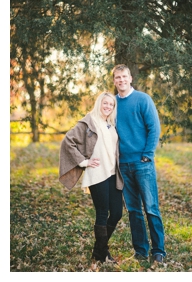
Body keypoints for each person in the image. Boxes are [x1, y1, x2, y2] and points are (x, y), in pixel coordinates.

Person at [59, 92, 124, 264]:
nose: (108, 107)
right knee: (102, 213)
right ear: (99, 103)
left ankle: (98, 251)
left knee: (117, 212)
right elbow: (68, 141)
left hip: (112, 173)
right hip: (97, 174)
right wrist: (83, 162)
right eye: (105, 103)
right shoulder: (89, 122)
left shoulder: (110, 124)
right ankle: (100, 255)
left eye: (111, 105)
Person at [112, 64, 166, 264]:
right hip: (123, 165)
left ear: (130, 78)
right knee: (133, 210)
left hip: (143, 164)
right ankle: (141, 251)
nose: (121, 80)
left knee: (151, 208)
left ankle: (158, 250)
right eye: (118, 77)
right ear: (114, 80)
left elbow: (154, 128)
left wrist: (147, 154)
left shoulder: (143, 99)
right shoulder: (113, 103)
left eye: (124, 76)